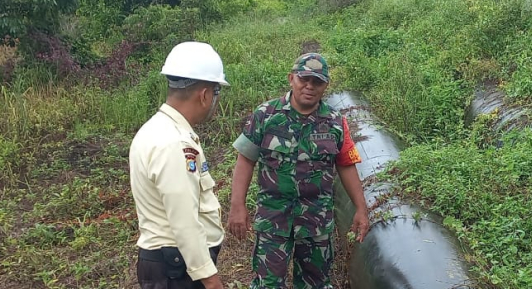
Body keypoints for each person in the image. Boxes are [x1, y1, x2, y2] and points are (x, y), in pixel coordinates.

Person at [228, 53, 370, 289]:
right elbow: (245, 160)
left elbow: (345, 164)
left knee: (315, 284)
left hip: (316, 222)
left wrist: (361, 209)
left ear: (325, 86)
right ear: (291, 78)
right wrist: (237, 206)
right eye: (304, 79)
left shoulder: (335, 122)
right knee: (267, 285)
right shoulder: (266, 115)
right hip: (274, 219)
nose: (309, 86)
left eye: (317, 82)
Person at [129, 41, 229, 289]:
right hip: (177, 271)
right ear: (205, 95)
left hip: (173, 264)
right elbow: (184, 220)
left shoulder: (158, 129)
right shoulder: (173, 143)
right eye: (216, 93)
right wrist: (210, 279)